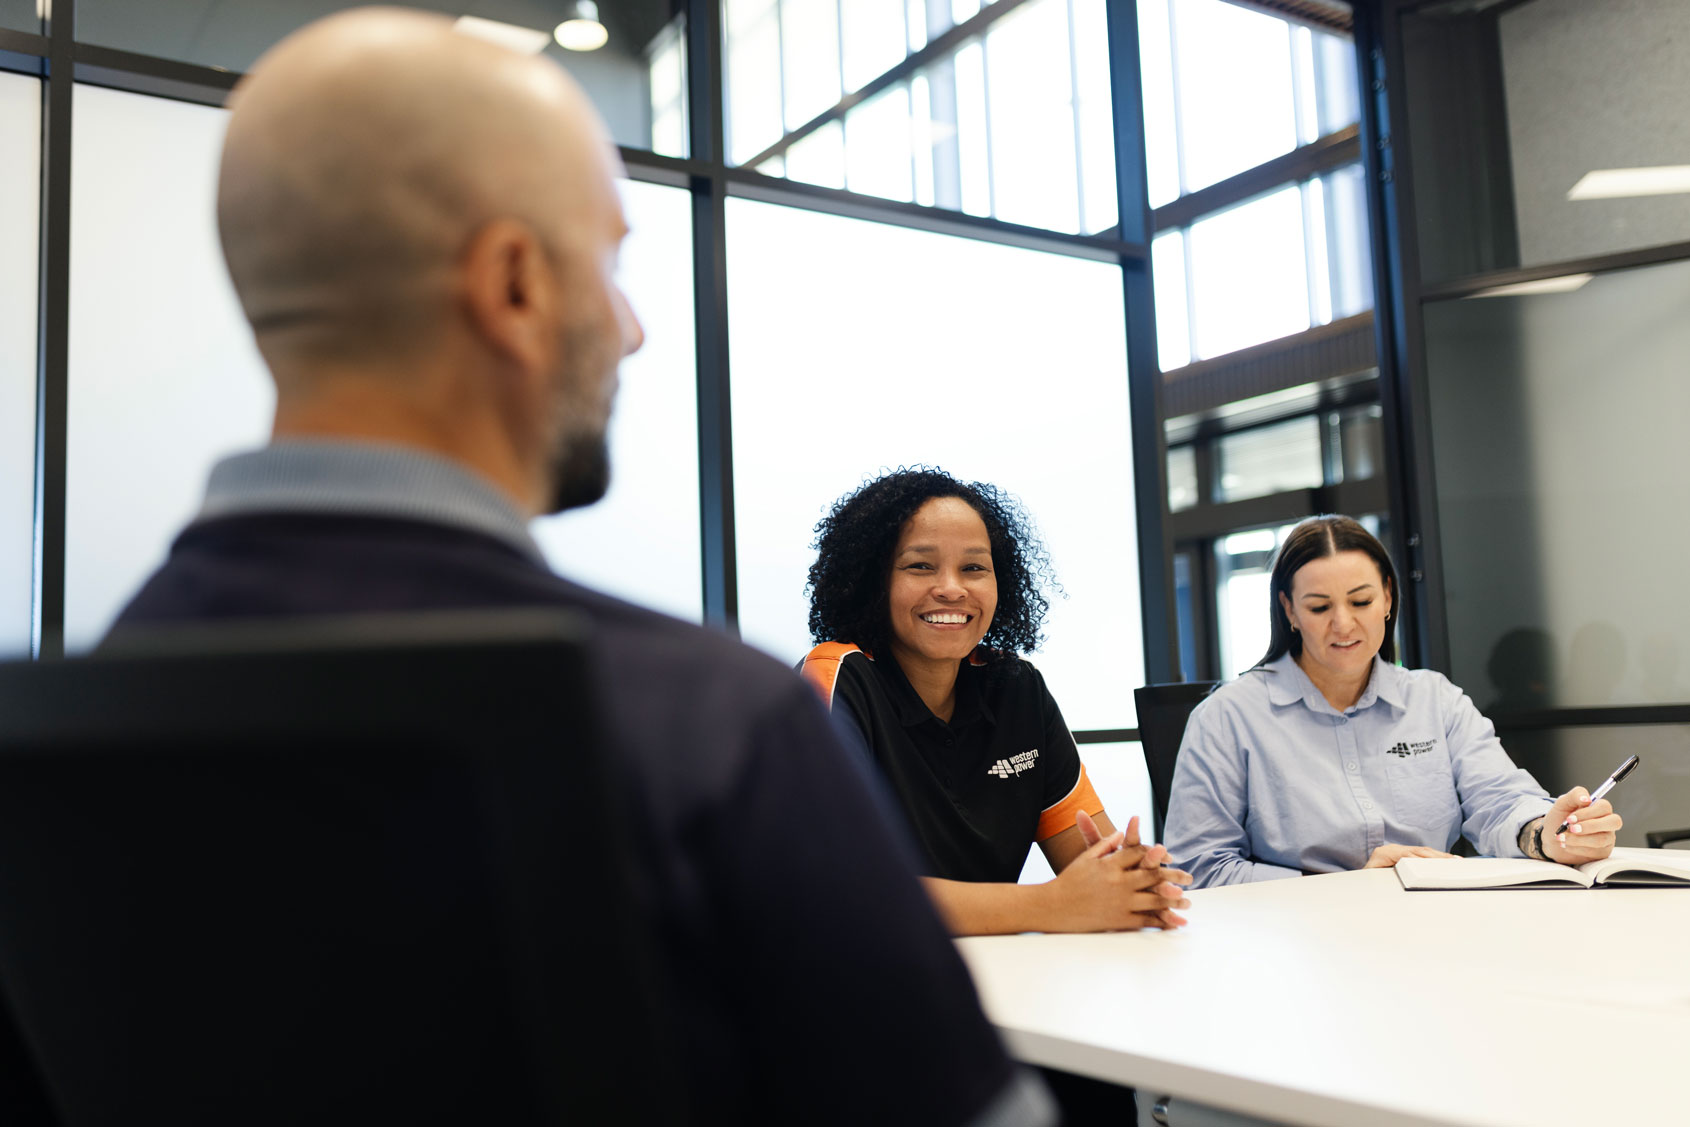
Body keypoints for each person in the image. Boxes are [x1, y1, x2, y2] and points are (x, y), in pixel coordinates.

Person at [102, 11, 1053, 1125]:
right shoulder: (712, 727)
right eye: (606, 261)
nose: (634, 327)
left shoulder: (72, 727)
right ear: (512, 283)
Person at [799, 468, 1191, 935]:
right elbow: (846, 890)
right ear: (872, 582)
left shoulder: (1016, 687)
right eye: (920, 565)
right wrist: (1052, 905)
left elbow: (1095, 853)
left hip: (1000, 973)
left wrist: (1135, 882)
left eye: (974, 567)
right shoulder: (838, 676)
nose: (951, 587)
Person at [1164, 515, 1621, 888]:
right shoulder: (1228, 717)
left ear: (1386, 596)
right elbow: (1198, 868)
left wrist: (1545, 836)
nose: (1343, 625)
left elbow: (1499, 801)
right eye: (1320, 608)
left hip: (1432, 932)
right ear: (1289, 611)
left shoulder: (1434, 699)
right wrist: (1344, 886)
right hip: (1296, 949)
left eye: (1360, 601)